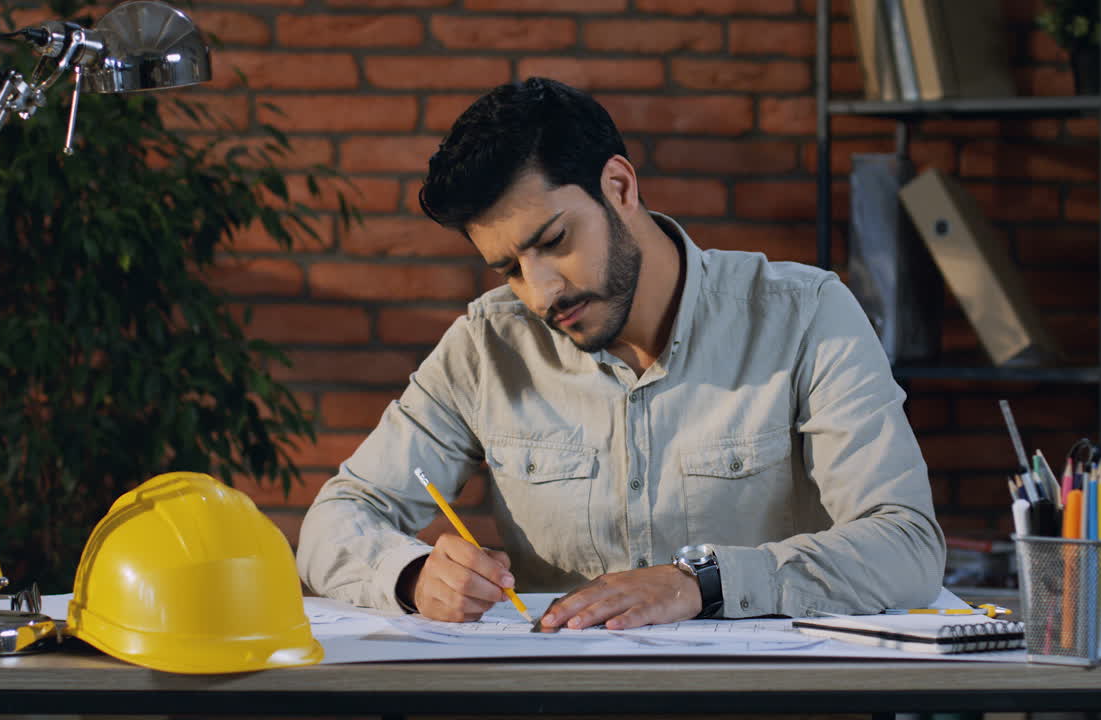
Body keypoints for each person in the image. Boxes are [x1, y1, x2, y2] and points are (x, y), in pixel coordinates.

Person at [296, 77, 945, 631]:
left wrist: (705, 582)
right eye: (509, 270)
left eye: (552, 240)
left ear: (619, 186)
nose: (540, 291)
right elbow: (335, 522)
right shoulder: (486, 347)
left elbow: (907, 545)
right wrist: (410, 576)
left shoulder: (806, 317)